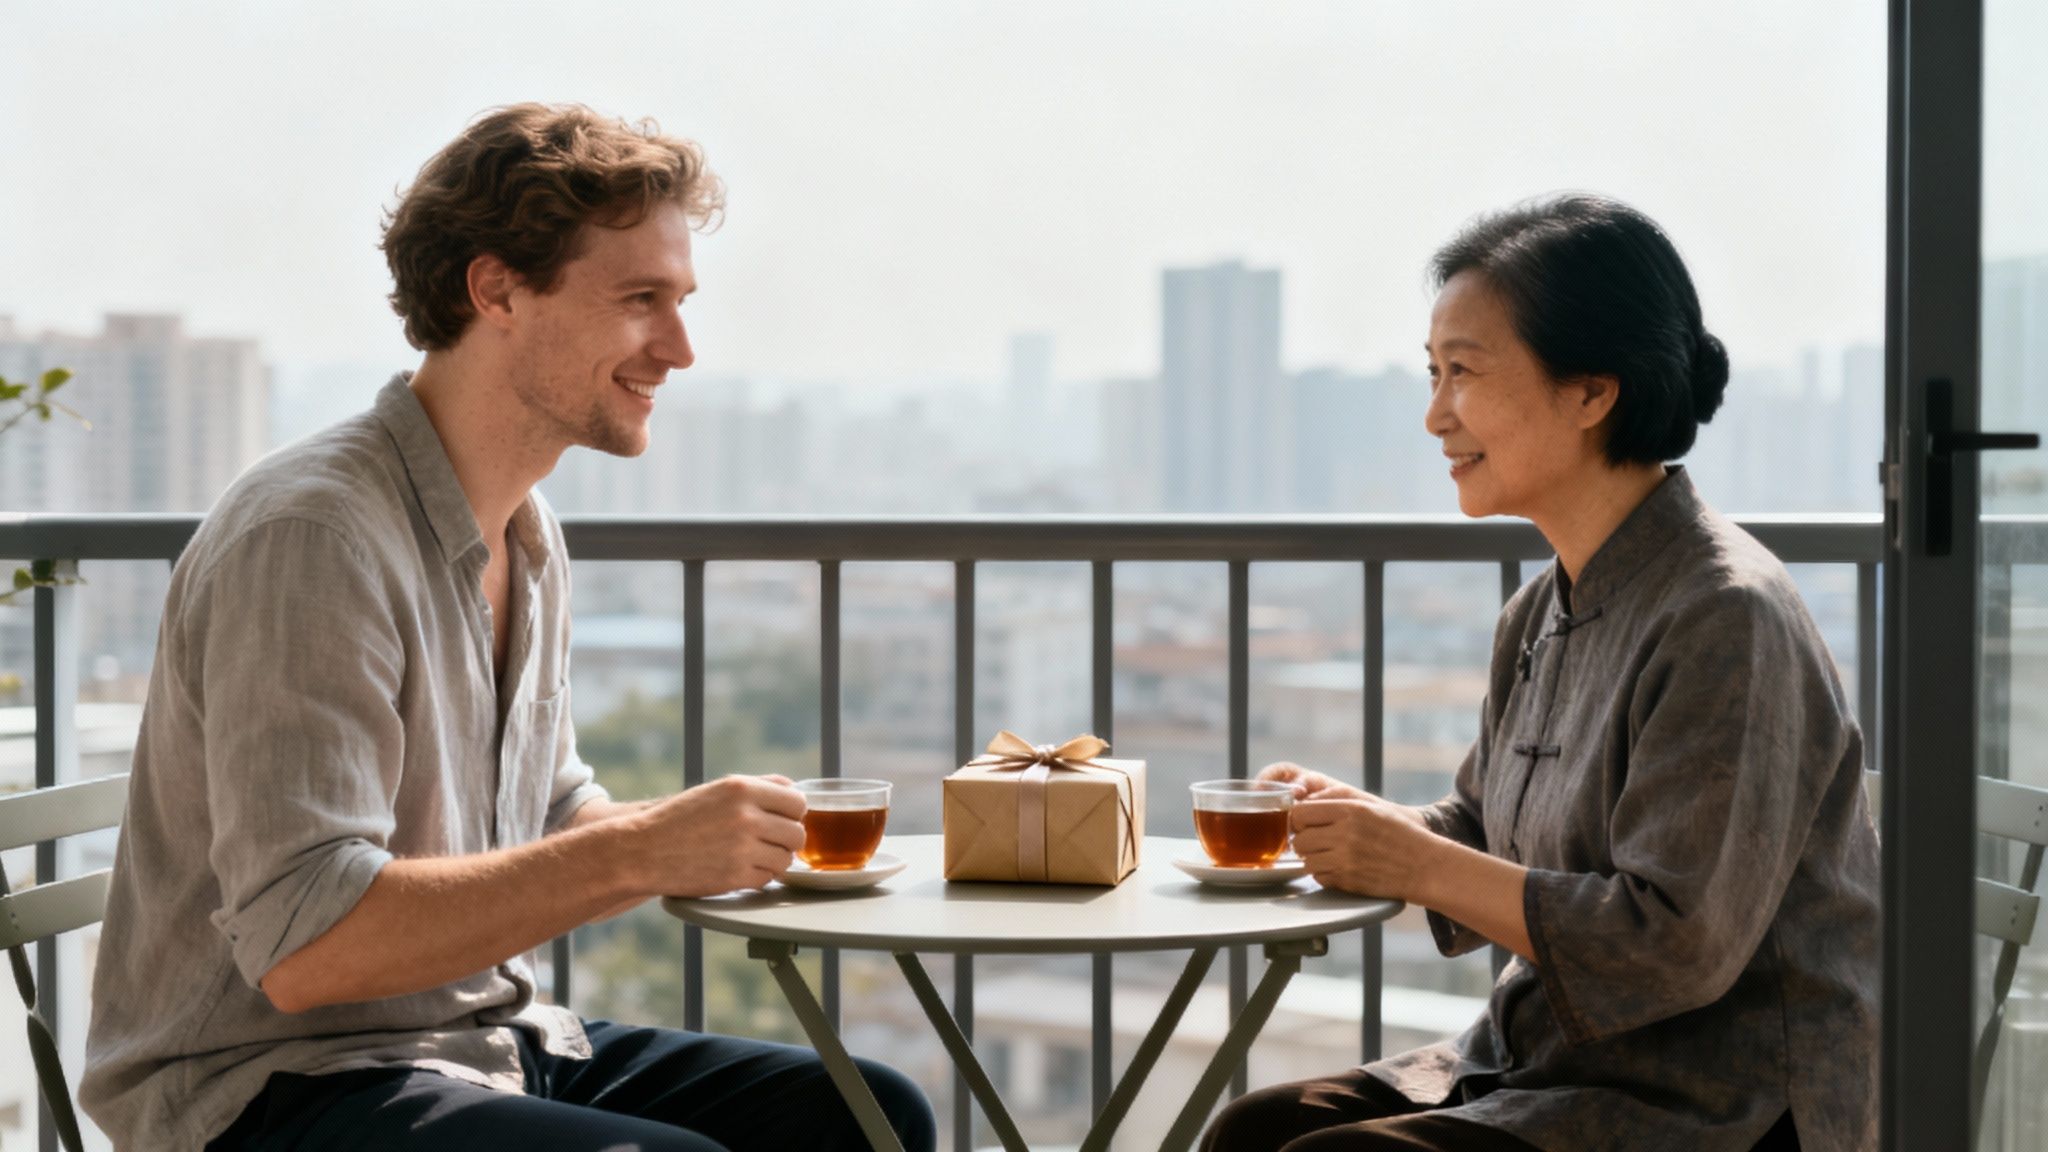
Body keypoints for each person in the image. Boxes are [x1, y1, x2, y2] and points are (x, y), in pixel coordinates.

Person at [79, 103, 936, 1152]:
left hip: (470, 1040)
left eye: (680, 302)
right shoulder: (314, 535)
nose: (679, 348)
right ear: (497, 290)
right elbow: (308, 943)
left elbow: (546, 810)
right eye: (639, 301)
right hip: (267, 1086)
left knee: (867, 1112)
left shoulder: (523, 533)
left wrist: (720, 838)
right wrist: (637, 854)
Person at [1203, 195, 1879, 1152]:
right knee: (1255, 1130)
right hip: (1557, 1061)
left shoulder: (1726, 614)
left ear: (1592, 392)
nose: (1437, 416)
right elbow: (1486, 829)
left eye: (1465, 374)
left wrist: (1417, 863)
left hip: (1721, 1100)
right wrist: (1370, 826)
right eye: (1432, 375)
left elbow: (1674, 946)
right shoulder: (1542, 609)